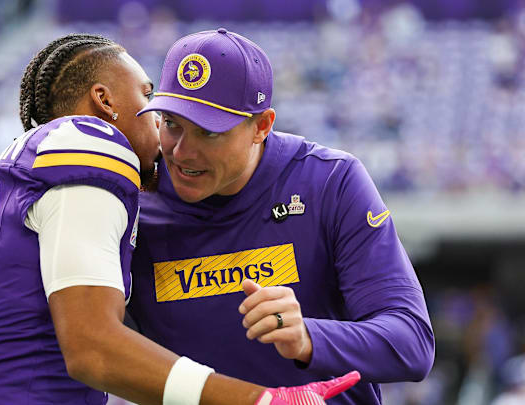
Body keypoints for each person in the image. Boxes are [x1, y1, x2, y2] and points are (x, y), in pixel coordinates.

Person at [0, 33, 359, 405]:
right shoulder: (92, 145)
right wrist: (260, 400)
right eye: (149, 98)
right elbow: (91, 350)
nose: (162, 129)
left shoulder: (14, 173)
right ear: (105, 102)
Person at [127, 28, 436, 405]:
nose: (181, 152)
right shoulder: (132, 198)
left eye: (209, 132)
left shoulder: (329, 182)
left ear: (261, 126)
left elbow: (412, 343)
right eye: (172, 124)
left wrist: (308, 337)